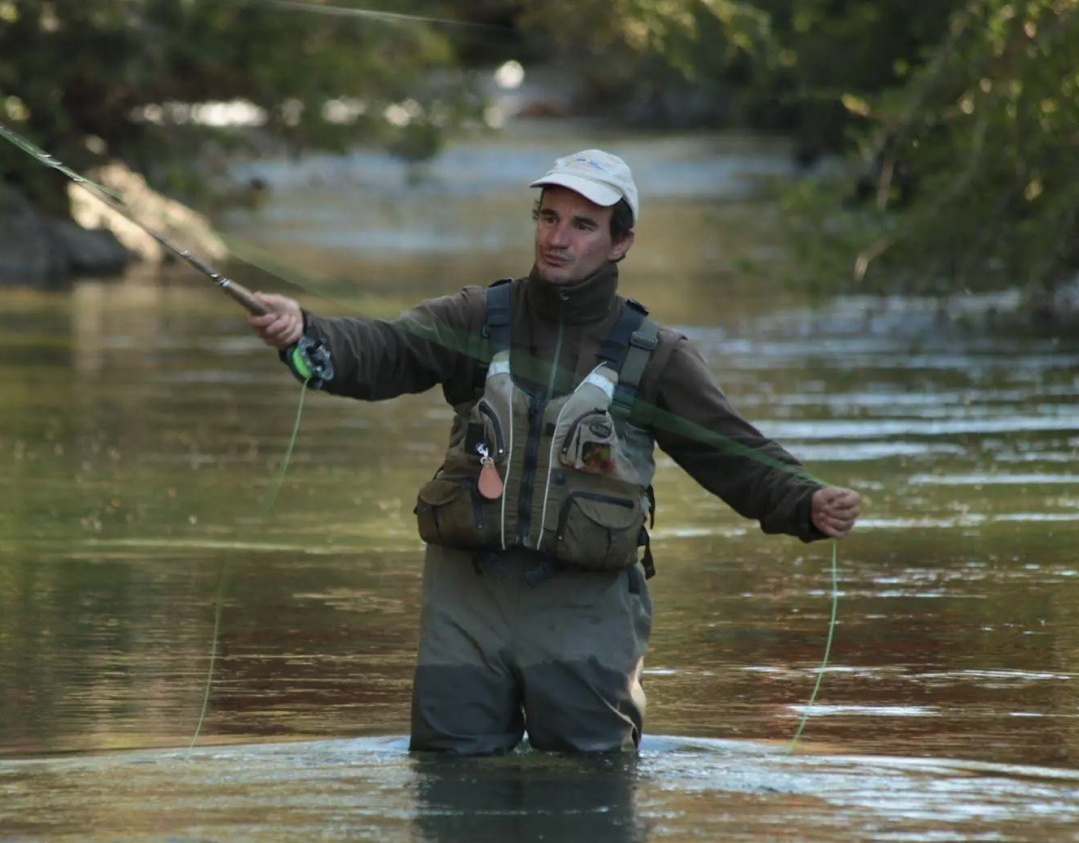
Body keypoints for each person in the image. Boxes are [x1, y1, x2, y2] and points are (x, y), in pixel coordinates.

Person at [248, 149, 861, 755]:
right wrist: (308, 332)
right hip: (468, 599)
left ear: (621, 243)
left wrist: (805, 501)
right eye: (548, 218)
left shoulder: (656, 357)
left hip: (585, 607)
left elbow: (730, 450)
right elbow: (384, 349)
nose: (557, 238)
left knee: (587, 794)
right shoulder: (476, 318)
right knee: (450, 791)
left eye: (582, 225)